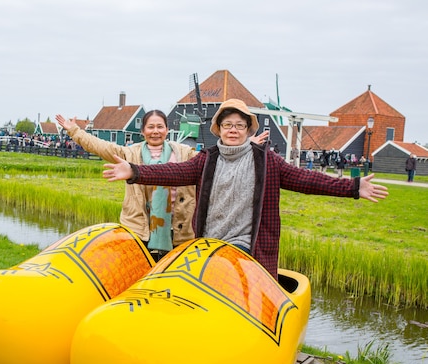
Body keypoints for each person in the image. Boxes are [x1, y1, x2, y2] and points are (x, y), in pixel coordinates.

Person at [102, 99, 388, 280]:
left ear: (248, 129)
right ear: (219, 129)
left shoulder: (266, 161)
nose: (233, 130)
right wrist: (135, 171)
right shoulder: (207, 159)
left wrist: (352, 187)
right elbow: (174, 171)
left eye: (239, 125)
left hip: (244, 245)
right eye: (228, 125)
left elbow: (306, 180)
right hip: (208, 242)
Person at [55, 111, 198, 261]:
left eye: (160, 127)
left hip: (178, 230)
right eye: (150, 127)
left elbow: (206, 163)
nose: (155, 131)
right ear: (142, 131)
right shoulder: (130, 154)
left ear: (167, 130)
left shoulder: (184, 153)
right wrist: (74, 130)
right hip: (140, 231)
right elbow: (100, 146)